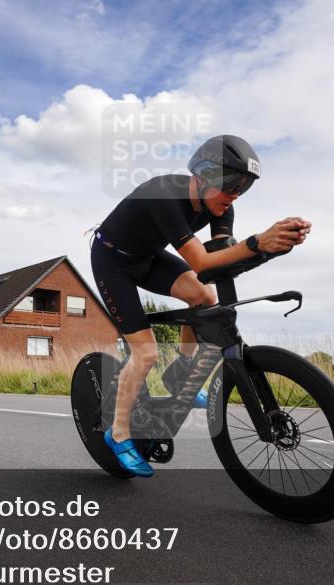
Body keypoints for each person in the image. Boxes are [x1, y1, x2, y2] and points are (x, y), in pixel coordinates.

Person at [91, 134, 311, 477]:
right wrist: (258, 242)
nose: (236, 193)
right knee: (145, 353)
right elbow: (202, 263)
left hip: (148, 257)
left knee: (204, 297)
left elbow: (222, 264)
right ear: (202, 175)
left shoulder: (223, 207)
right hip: (112, 261)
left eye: (245, 186)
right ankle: (117, 434)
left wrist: (271, 249)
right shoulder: (164, 193)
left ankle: (180, 373)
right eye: (231, 182)